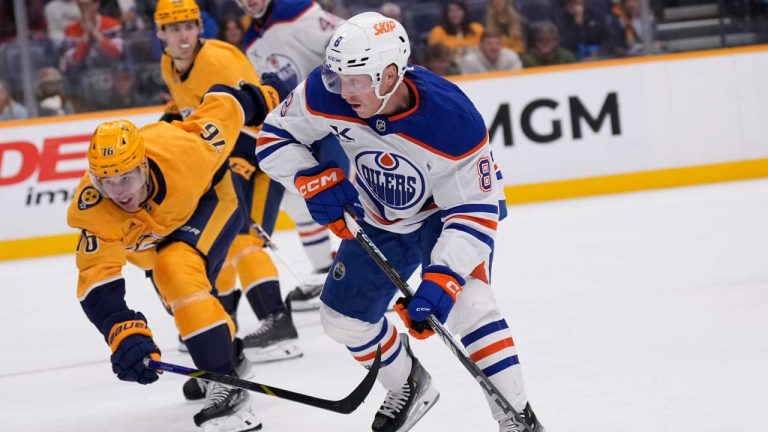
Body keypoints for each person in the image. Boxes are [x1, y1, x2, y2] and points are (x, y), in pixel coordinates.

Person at [256, 12, 545, 432]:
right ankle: (407, 381)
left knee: (472, 306)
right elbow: (274, 136)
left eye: (357, 79)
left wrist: (443, 279)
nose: (345, 90)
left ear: (391, 73)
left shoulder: (452, 119)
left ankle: (516, 416)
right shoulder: (326, 90)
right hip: (379, 218)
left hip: (441, 220)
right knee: (342, 320)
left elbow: (475, 211)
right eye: (339, 77)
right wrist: (309, 178)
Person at [66, 76, 283, 431]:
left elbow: (223, 108)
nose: (119, 193)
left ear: (144, 166)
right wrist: (122, 331)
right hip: (155, 241)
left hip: (213, 201)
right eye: (107, 181)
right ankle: (232, 358)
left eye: (126, 178)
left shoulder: (183, 151)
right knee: (181, 304)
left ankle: (226, 384)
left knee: (177, 270)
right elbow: (96, 279)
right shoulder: (93, 207)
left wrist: (262, 97)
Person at [154, 0, 300, 370]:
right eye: (174, 29)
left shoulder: (220, 60)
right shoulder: (169, 65)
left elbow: (264, 108)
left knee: (244, 237)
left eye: (188, 26)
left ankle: (279, 324)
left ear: (199, 27)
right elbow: (187, 109)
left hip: (266, 154)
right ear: (161, 34)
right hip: (224, 162)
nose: (182, 36)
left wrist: (243, 157)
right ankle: (223, 317)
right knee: (220, 241)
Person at [237, 0, 346, 311]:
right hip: (300, 125)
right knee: (301, 199)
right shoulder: (251, 41)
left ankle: (378, 276)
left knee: (351, 195)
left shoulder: (296, 10)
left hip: (334, 118)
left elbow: (345, 38)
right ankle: (327, 274)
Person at [60, 0, 123, 72]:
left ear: (97, 4)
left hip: (110, 70)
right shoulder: (70, 30)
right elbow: (75, 60)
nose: (83, 9)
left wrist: (94, 31)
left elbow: (116, 53)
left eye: (87, 5)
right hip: (83, 73)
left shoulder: (113, 25)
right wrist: (86, 34)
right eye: (80, 5)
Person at [457, 29, 522, 74]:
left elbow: (517, 80)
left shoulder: (511, 57)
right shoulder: (470, 61)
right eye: (489, 43)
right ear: (481, 46)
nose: (494, 47)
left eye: (498, 43)